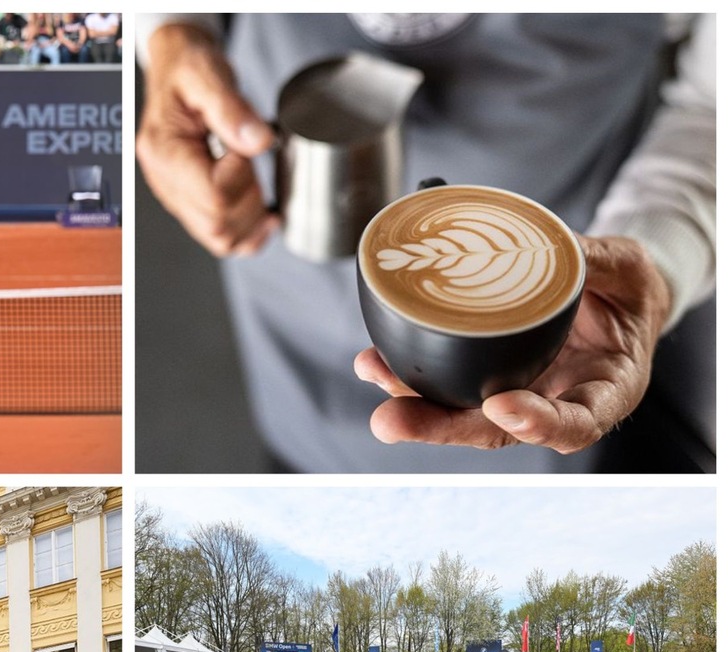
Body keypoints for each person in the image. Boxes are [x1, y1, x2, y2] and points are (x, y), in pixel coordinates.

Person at [136, 14, 715, 474]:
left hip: (556, 335)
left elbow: (715, 106)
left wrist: (656, 260)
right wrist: (172, 36)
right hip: (283, 266)